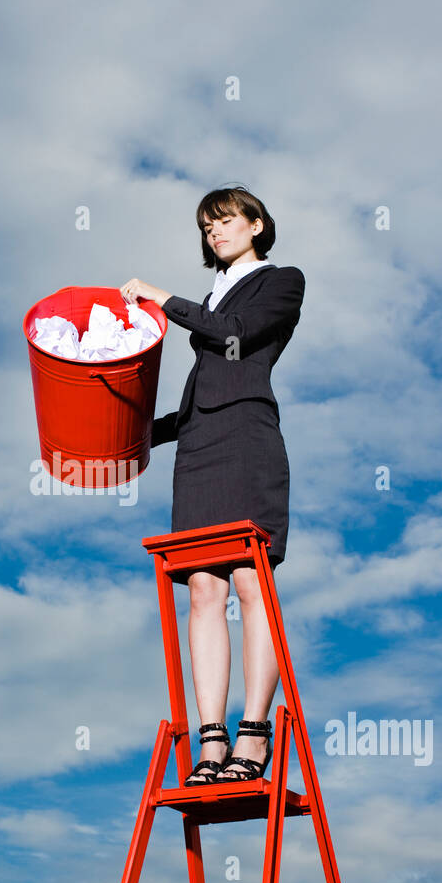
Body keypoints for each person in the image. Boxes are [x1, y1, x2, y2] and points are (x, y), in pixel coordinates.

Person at [120, 185, 304, 787]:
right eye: (206, 226)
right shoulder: (208, 296)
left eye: (224, 221)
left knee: (251, 581)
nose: (214, 233)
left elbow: (235, 335)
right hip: (199, 451)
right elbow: (196, 401)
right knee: (202, 589)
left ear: (256, 224)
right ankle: (212, 742)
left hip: (248, 440)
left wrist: (162, 299)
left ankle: (255, 731)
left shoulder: (282, 280)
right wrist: (128, 436)